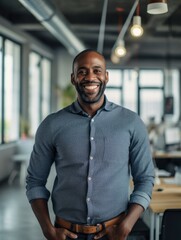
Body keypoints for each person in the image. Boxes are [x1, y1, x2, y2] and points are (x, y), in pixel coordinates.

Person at [26, 49, 155, 240]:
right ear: (73, 78)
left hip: (114, 233)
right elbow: (35, 181)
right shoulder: (52, 125)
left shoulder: (131, 122)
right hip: (65, 234)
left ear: (106, 76)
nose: (90, 77)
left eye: (97, 70)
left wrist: (125, 227)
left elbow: (145, 179)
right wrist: (48, 230)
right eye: (82, 71)